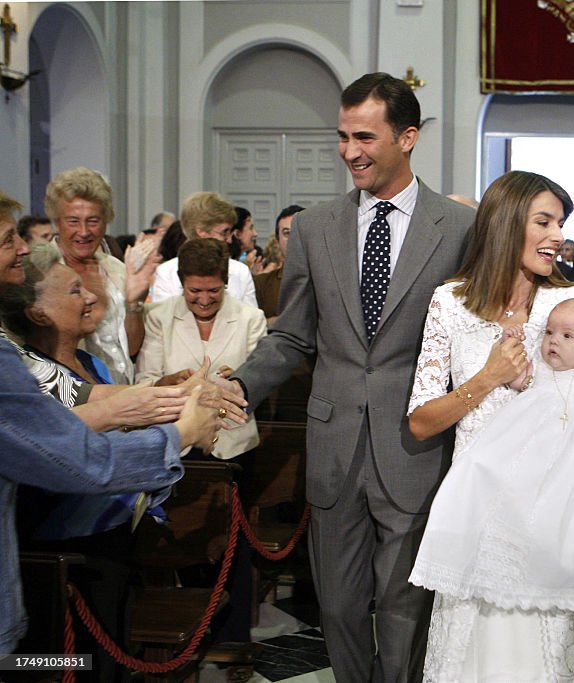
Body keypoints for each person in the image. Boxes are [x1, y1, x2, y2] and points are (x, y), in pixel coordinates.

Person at [227, 72, 475, 681]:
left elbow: (475, 335)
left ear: (408, 137)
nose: (349, 151)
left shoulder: (460, 228)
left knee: (403, 606)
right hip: (335, 444)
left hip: (416, 445)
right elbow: (291, 334)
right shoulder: (314, 228)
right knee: (337, 606)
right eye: (342, 137)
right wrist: (239, 386)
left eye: (364, 136)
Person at [406, 171, 574, 681]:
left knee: (545, 663)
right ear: (506, 224)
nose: (558, 235)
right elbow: (421, 421)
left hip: (552, 519)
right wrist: (488, 378)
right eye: (544, 221)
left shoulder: (569, 303)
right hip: (480, 514)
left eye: (560, 223)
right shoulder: (451, 302)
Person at [0, 190, 223, 657]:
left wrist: (178, 394)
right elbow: (77, 454)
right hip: (63, 544)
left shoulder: (82, 359)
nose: (22, 247)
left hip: (104, 534)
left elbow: (95, 402)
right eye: (7, 241)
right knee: (77, 659)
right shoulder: (11, 356)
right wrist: (182, 429)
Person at [136, 238, 266, 459]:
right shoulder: (158, 316)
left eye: (214, 290)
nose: (204, 300)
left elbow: (261, 382)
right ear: (181, 282)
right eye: (195, 290)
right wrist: (168, 382)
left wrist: (240, 381)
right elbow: (144, 383)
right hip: (173, 441)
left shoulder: (251, 319)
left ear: (225, 281)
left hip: (234, 445)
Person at [47, 167, 161, 383]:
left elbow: (132, 350)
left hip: (123, 395)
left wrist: (133, 305)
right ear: (57, 221)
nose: (83, 231)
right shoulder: (39, 272)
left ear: (106, 221)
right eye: (73, 221)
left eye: (93, 221)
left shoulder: (117, 270)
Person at [150, 191, 258, 307]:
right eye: (224, 232)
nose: (230, 240)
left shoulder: (240, 272)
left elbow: (252, 321)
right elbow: (162, 321)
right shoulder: (166, 273)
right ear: (201, 231)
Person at [253, 204, 304, 324]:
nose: (294, 239)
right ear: (277, 240)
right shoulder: (262, 284)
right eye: (287, 233)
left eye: (300, 232)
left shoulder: (329, 281)